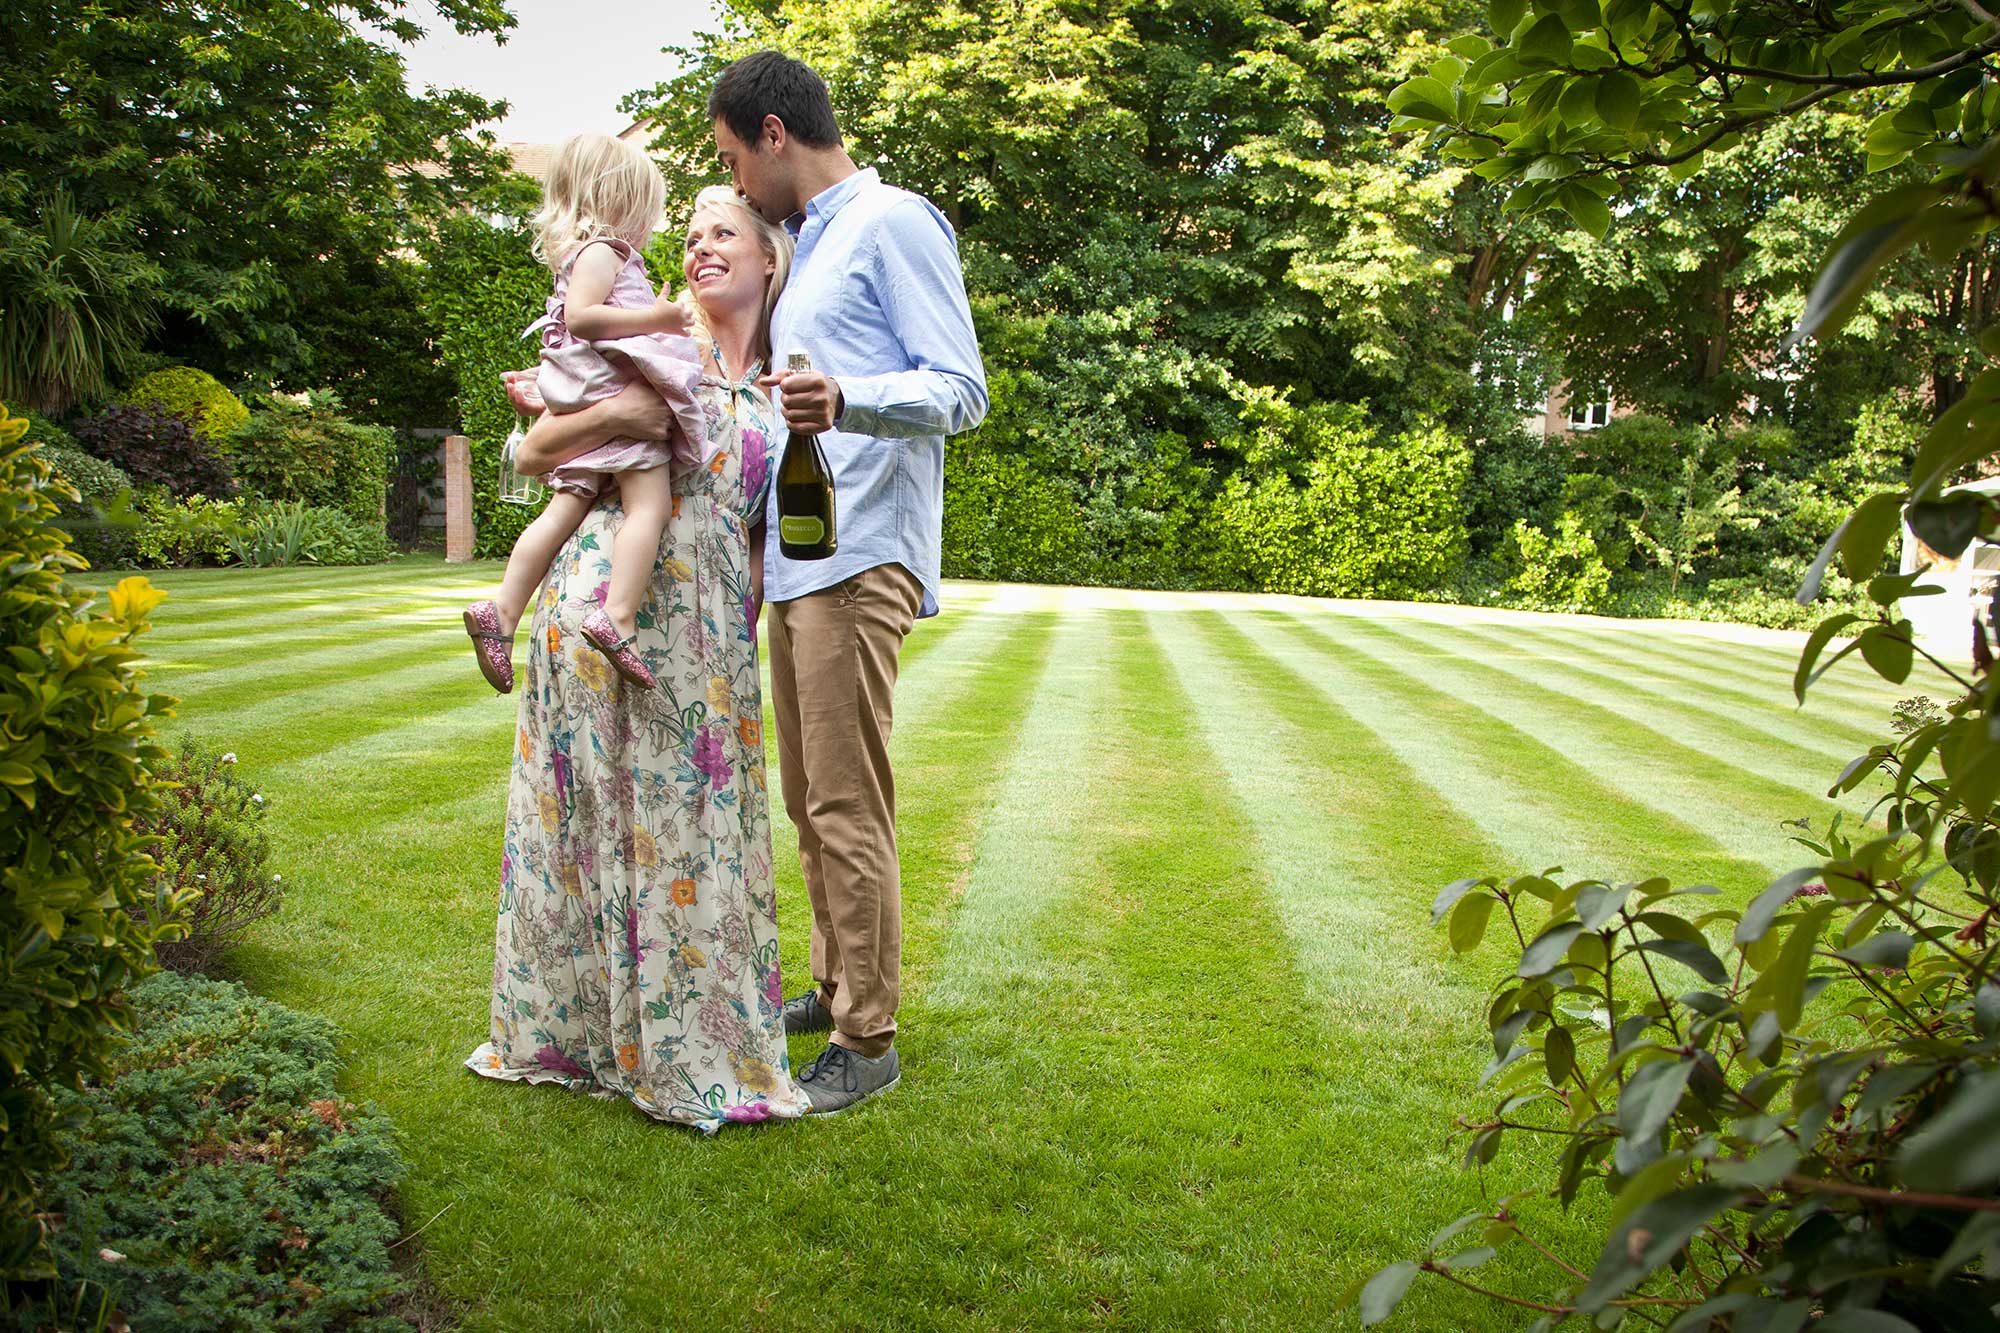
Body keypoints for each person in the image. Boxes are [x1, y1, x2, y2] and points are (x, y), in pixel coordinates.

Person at [464, 184, 808, 1133]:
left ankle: (692, 1039)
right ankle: (586, 1040)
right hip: (604, 609)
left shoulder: (792, 381)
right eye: (690, 233)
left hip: (709, 634)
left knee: (690, 834)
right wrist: (646, 426)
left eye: (724, 233)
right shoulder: (654, 342)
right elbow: (537, 454)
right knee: (595, 824)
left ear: (769, 259)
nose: (700, 248)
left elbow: (770, 528)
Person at [710, 51, 989, 1113]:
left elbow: (960, 390)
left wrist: (849, 398)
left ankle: (867, 1040)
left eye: (737, 160)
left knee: (845, 797)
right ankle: (833, 989)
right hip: (802, 553)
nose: (736, 186)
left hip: (863, 547)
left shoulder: (894, 222)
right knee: (807, 798)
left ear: (775, 136)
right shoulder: (808, 246)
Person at [462, 133, 708, 696]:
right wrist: (660, 318)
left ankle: (501, 610)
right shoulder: (605, 251)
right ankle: (618, 617)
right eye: (648, 211)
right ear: (618, 200)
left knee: (562, 507)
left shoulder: (578, 256)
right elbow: (583, 321)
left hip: (587, 394)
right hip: (613, 401)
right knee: (649, 505)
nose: (651, 225)